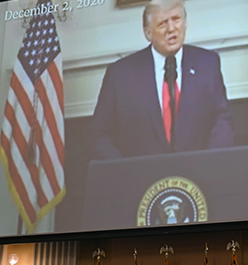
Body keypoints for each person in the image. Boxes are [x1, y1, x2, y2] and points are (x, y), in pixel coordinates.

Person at [89, 0, 234, 160]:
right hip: (141, 180)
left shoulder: (207, 64)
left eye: (176, 19)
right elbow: (99, 134)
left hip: (197, 177)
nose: (171, 29)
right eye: (162, 23)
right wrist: (124, 172)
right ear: (148, 32)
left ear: (185, 23)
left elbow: (223, 120)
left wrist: (209, 163)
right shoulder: (120, 75)